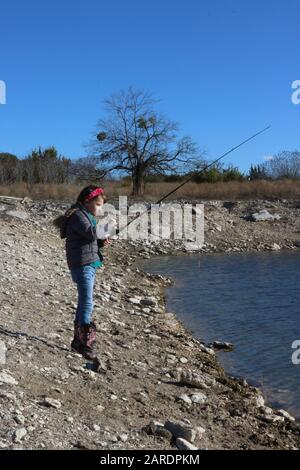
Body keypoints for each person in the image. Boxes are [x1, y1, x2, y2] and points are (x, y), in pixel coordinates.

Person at [53, 185, 110, 360]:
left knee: (83, 302)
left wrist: (101, 243)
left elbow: (89, 240)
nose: (100, 209)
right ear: (87, 201)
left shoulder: (86, 216)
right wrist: (107, 226)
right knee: (87, 303)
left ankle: (78, 340)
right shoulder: (79, 216)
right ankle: (85, 343)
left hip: (87, 263)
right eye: (99, 205)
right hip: (83, 265)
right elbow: (91, 233)